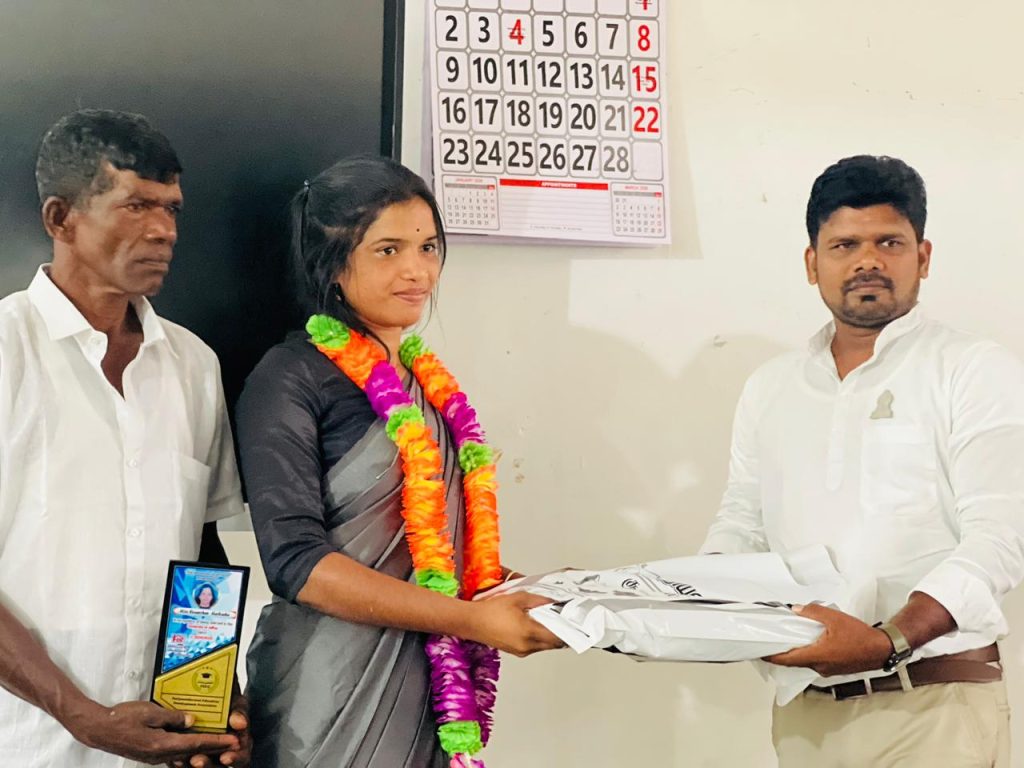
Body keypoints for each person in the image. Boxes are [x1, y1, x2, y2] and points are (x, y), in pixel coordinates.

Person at [235, 155, 562, 768]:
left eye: (428, 247)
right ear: (333, 265)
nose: (418, 270)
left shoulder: (426, 383)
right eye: (388, 250)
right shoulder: (289, 379)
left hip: (427, 683)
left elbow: (433, 552)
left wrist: (541, 592)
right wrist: (472, 621)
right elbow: (298, 566)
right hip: (327, 693)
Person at [701, 154, 1023, 766]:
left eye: (889, 243)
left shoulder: (973, 371)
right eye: (845, 244)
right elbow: (741, 523)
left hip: (931, 705)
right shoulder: (771, 387)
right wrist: (679, 601)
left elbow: (999, 540)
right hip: (804, 714)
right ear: (812, 263)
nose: (867, 260)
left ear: (923, 257)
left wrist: (887, 640)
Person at [0, 109, 251, 768]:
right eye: (137, 205)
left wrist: (214, 696)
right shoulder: (6, 352)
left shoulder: (193, 366)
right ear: (61, 219)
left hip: (162, 744)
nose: (164, 230)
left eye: (171, 209)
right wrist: (82, 717)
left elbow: (200, 546)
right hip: (28, 745)